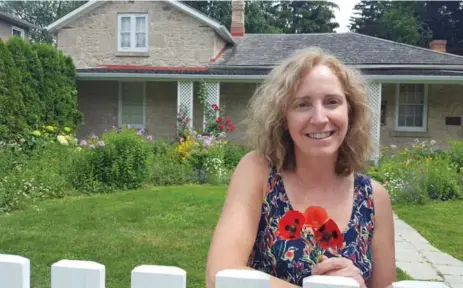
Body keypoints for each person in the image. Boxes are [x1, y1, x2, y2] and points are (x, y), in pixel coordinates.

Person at [205, 47, 396, 288]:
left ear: (350, 110)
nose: (319, 118)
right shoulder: (259, 172)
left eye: (332, 102)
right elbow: (219, 275)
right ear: (283, 117)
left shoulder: (374, 199)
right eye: (302, 105)